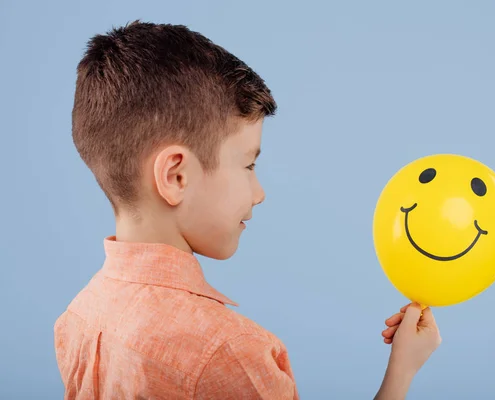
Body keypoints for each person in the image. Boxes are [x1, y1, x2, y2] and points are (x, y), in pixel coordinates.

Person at [53, 20, 441, 400]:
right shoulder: (231, 353)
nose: (259, 193)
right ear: (176, 177)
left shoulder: (77, 318)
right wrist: (402, 372)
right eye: (249, 165)